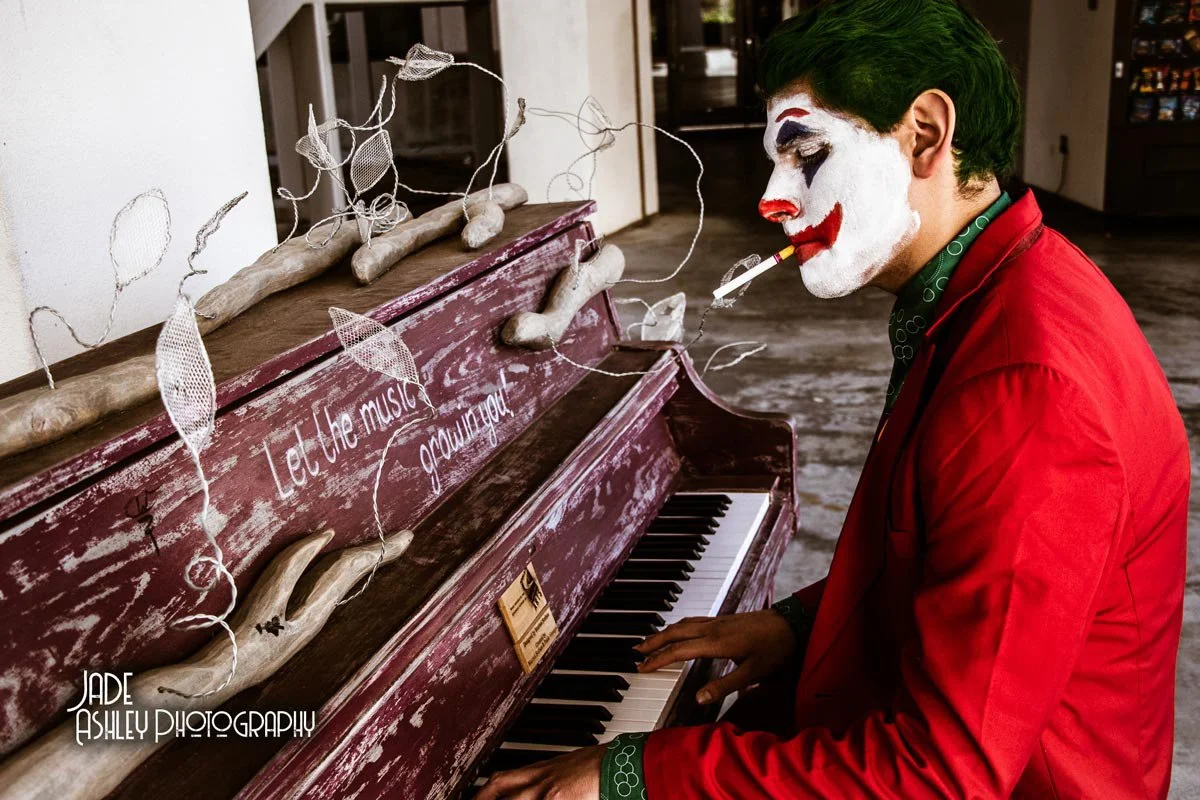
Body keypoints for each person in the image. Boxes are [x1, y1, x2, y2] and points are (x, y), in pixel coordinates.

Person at [478, 1, 1190, 797]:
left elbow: (938, 776)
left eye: (806, 152)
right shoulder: (1008, 280)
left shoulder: (1026, 390)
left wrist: (635, 773)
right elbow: (953, 556)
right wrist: (801, 625)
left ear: (925, 133)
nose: (773, 202)